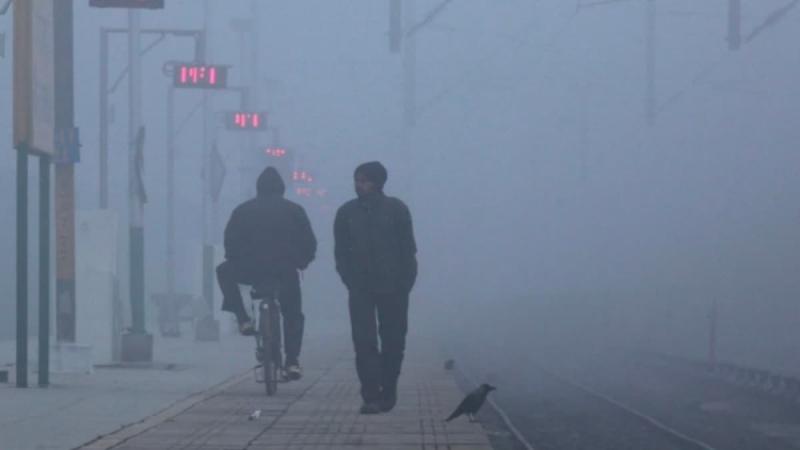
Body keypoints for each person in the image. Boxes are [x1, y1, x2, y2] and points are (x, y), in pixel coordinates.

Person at [217, 166, 316, 380]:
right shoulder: (294, 210)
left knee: (223, 271)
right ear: (281, 188)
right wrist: (302, 262)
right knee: (293, 314)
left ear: (258, 188)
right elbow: (309, 242)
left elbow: (230, 241)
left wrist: (236, 259)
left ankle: (243, 319)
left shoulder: (242, 210)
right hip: (284, 271)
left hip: (250, 269)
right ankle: (292, 362)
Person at [334, 161, 418, 414]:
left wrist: (405, 282)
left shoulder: (397, 210)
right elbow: (340, 251)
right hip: (360, 288)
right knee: (364, 342)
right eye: (357, 180)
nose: (359, 185)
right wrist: (349, 278)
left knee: (393, 342)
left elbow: (408, 249)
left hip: (394, 287)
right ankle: (370, 394)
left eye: (364, 180)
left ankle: (388, 391)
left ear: (378, 183)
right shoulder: (347, 213)